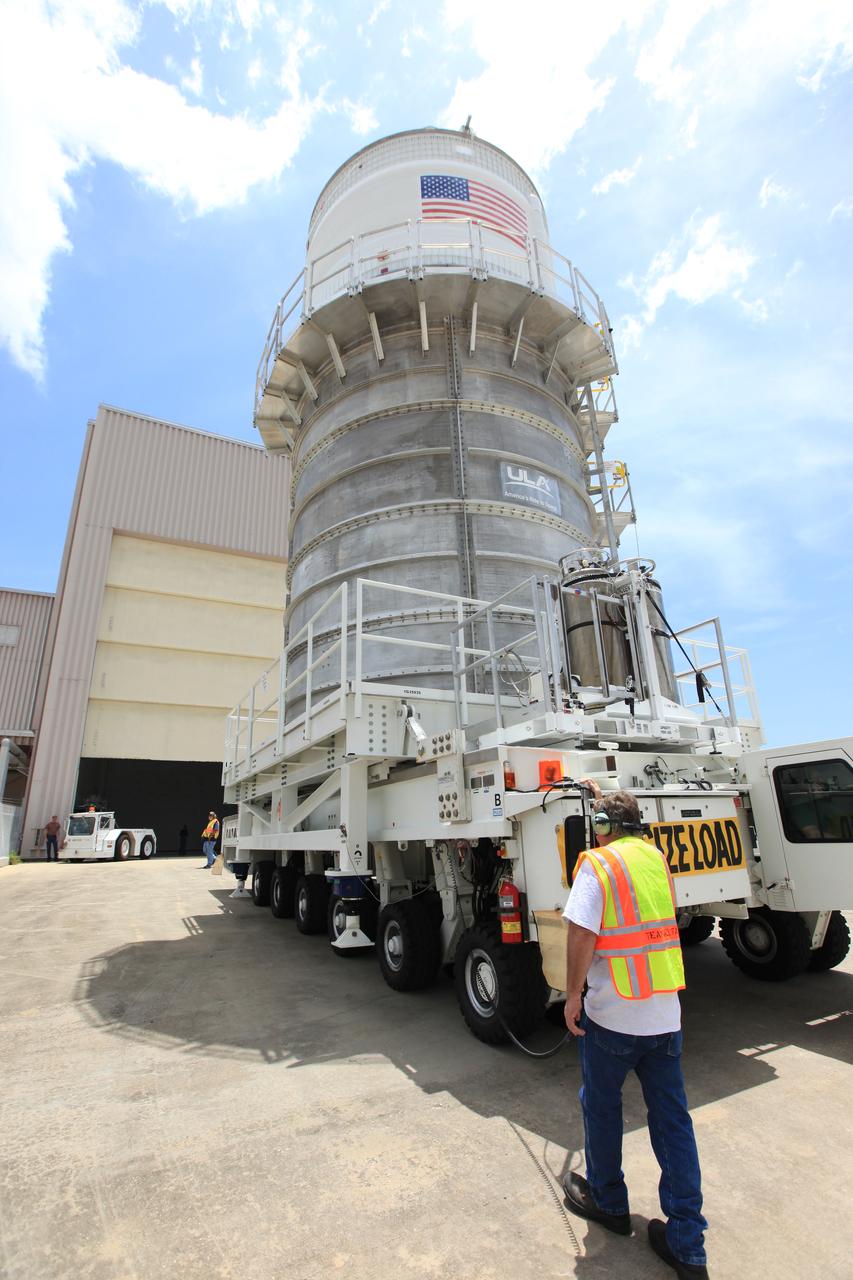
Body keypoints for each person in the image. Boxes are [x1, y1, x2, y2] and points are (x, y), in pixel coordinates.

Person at [562, 781, 708, 1279]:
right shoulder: (656, 859)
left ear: (600, 829)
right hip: (664, 1015)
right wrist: (604, 792)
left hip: (613, 1017)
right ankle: (688, 1245)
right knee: (673, 1123)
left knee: (601, 1109)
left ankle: (609, 1203)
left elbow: (582, 931)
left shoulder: (596, 865)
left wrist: (574, 992)